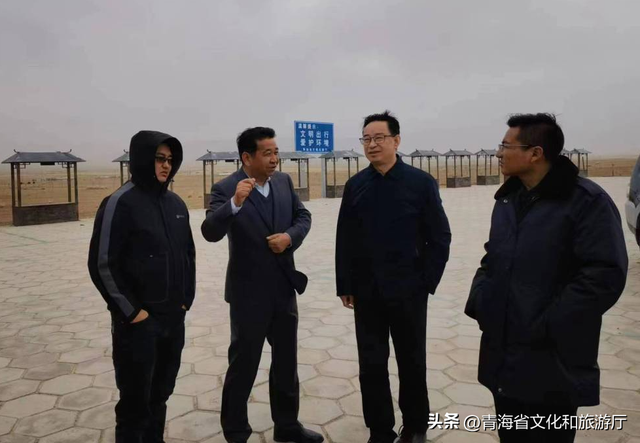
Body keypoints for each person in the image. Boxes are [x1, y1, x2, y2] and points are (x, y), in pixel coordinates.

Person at [465, 113, 628, 443]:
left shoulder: (586, 201)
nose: (498, 153)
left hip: (552, 359)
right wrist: (481, 299)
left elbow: (604, 274)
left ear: (535, 153)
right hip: (504, 353)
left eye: (506, 146)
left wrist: (549, 322)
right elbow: (493, 256)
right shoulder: (508, 199)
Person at [335, 111, 451, 443]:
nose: (372, 145)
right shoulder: (356, 185)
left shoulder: (420, 183)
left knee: (412, 362)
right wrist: (346, 284)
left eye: (379, 138)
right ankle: (379, 429)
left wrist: (426, 281)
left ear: (396, 140)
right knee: (371, 364)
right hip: (367, 292)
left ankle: (415, 427)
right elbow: (345, 238)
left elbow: (439, 236)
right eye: (366, 139)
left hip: (409, 290)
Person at [201, 127, 320, 443]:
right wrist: (235, 203)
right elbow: (210, 231)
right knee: (244, 364)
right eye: (267, 153)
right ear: (246, 157)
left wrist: (289, 238)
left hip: (283, 289)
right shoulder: (226, 188)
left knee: (286, 363)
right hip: (248, 295)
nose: (274, 159)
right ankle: (236, 432)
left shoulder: (283, 182)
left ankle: (287, 426)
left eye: (276, 152)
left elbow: (303, 217)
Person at [88, 130, 196, 443]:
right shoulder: (120, 203)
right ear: (142, 159)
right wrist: (133, 313)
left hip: (173, 320)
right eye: (159, 158)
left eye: (170, 160)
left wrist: (185, 300)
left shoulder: (176, 204)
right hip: (137, 326)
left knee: (160, 394)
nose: (166, 165)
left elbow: (188, 255)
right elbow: (102, 264)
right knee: (135, 403)